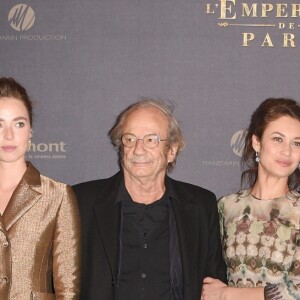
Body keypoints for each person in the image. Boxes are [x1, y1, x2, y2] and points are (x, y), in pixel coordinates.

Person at [73, 99, 227, 300]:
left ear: (171, 150)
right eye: (129, 139)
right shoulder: (81, 201)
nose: (138, 150)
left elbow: (214, 283)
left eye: (151, 140)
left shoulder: (200, 205)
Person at [201, 98, 300, 300]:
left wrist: (228, 295)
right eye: (278, 139)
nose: (287, 151)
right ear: (257, 142)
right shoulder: (227, 207)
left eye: (296, 143)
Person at [0, 77, 81, 299]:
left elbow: (68, 289)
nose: (9, 135)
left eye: (19, 123)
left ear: (30, 131)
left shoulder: (57, 196)